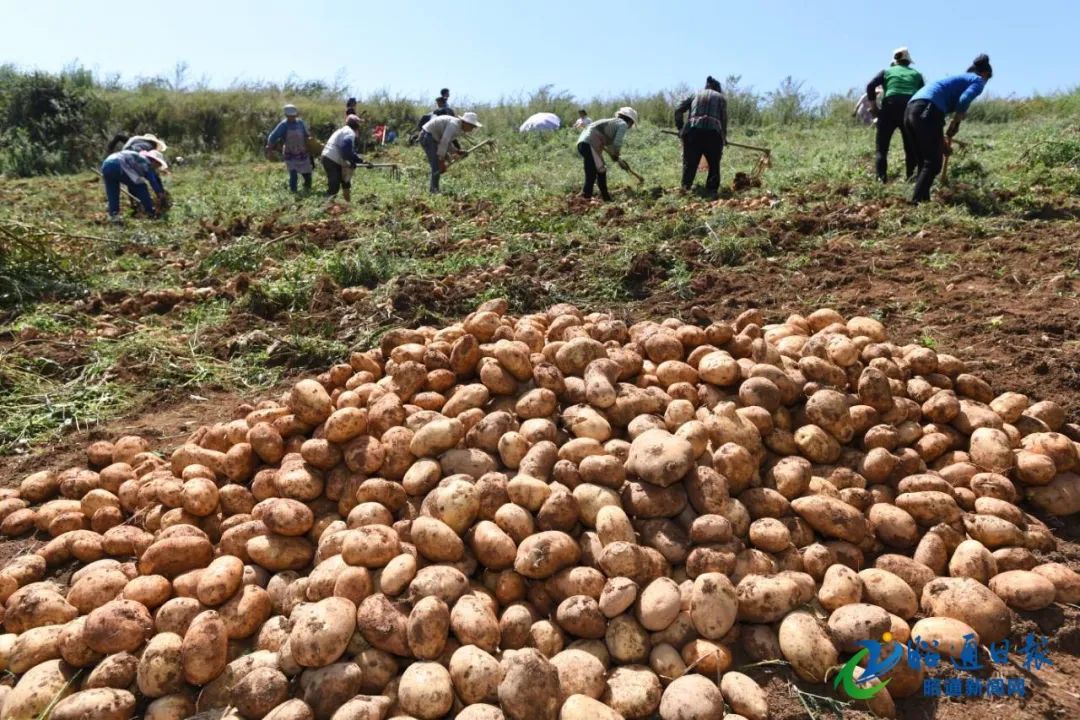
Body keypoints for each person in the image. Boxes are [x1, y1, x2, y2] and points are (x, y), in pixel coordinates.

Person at [905, 54, 992, 203]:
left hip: (911, 110)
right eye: (988, 78)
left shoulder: (958, 80)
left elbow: (934, 121)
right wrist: (957, 119)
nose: (986, 81)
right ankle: (916, 202)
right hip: (928, 109)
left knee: (924, 161)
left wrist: (942, 143)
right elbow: (964, 99)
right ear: (986, 74)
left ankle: (922, 201)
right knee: (933, 163)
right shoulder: (978, 81)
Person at [866, 47, 925, 183]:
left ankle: (881, 180)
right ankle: (911, 179)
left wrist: (874, 107)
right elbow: (923, 94)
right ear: (908, 62)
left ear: (895, 61)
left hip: (889, 107)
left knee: (882, 148)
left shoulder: (887, 71)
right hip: (909, 108)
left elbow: (870, 86)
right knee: (910, 148)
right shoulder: (916, 74)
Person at [674, 76, 728, 197]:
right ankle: (711, 191)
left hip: (693, 132)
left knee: (690, 163)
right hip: (713, 134)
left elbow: (678, 109)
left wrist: (680, 128)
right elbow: (723, 120)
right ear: (717, 89)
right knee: (714, 164)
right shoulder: (721, 98)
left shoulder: (695, 94)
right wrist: (724, 137)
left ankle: (685, 189)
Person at [576, 106, 637, 201]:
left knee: (601, 170)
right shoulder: (622, 124)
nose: (629, 127)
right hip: (590, 143)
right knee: (592, 172)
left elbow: (610, 145)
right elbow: (617, 143)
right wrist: (616, 154)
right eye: (631, 124)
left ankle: (605, 197)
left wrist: (615, 156)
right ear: (630, 121)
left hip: (585, 143)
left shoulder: (613, 123)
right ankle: (586, 197)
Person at [418, 111, 482, 194]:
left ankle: (434, 189)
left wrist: (456, 151)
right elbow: (444, 141)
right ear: (466, 123)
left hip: (433, 138)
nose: (472, 129)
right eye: (472, 126)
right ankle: (434, 191)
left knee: (437, 165)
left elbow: (447, 142)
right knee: (436, 165)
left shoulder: (458, 127)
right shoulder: (454, 125)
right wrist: (441, 159)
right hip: (427, 137)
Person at [100, 149, 168, 222]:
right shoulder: (147, 163)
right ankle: (150, 211)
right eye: (158, 165)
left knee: (113, 190)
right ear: (155, 161)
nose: (156, 168)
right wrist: (159, 193)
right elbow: (152, 181)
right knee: (141, 186)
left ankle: (114, 215)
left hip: (106, 164)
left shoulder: (138, 157)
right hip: (118, 164)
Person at [265, 104, 314, 193]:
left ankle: (308, 189)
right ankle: (293, 191)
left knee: (307, 173)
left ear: (296, 115)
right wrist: (269, 146)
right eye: (290, 116)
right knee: (293, 174)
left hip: (302, 151)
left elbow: (307, 134)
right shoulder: (283, 125)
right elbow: (273, 136)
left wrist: (311, 142)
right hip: (290, 152)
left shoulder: (300, 123)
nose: (292, 117)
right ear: (286, 115)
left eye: (293, 116)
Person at [321, 114, 366, 201]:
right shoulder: (350, 132)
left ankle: (347, 203)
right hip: (332, 159)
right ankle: (325, 206)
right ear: (355, 124)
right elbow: (346, 149)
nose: (359, 126)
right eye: (358, 123)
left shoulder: (342, 130)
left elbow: (348, 151)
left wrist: (358, 160)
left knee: (345, 180)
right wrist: (353, 161)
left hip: (329, 157)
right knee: (334, 186)